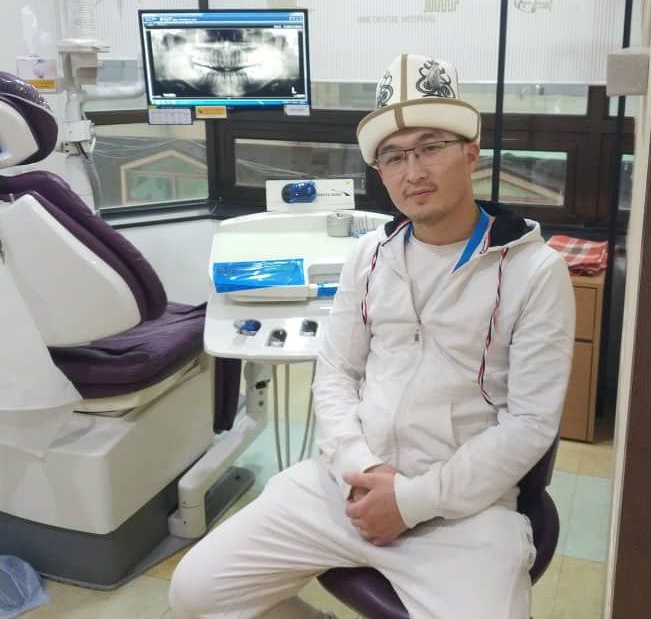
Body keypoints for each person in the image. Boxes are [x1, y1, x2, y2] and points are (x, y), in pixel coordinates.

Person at [169, 54, 575, 619]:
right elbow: (335, 373)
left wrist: (410, 501)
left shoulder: (534, 271)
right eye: (394, 156)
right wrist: (362, 468)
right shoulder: (369, 255)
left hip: (464, 510)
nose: (414, 172)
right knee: (195, 593)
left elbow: (529, 424)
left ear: (471, 153)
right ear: (380, 171)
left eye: (431, 147)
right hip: (349, 485)